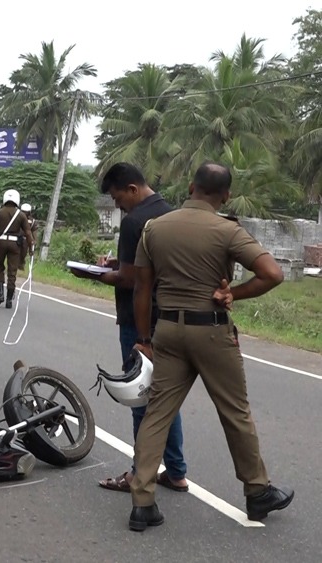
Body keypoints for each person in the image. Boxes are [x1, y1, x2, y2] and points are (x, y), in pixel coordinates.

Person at [127, 162, 293, 531]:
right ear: (226, 196)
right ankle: (257, 491)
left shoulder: (154, 228)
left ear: (190, 187)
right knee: (235, 411)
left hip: (167, 329)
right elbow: (273, 274)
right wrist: (232, 292)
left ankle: (142, 502)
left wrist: (143, 339)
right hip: (212, 330)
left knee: (157, 414)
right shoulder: (227, 231)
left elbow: (141, 289)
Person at [71, 163, 189, 494]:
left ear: (133, 190)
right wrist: (115, 266)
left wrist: (91, 273)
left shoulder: (135, 221)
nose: (118, 204)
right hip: (169, 316)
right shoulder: (170, 214)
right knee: (164, 396)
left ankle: (140, 473)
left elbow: (130, 279)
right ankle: (176, 470)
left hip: (139, 323)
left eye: (117, 197)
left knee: (139, 396)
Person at [0, 188, 33, 308]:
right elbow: (28, 232)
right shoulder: (21, 215)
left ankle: (0, 293)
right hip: (15, 245)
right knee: (12, 271)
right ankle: (9, 299)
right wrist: (31, 248)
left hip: (0, 243)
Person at [17, 203, 39, 271]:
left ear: (29, 212)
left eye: (26, 212)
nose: (25, 213)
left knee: (23, 253)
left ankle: (21, 265)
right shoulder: (16, 218)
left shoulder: (32, 221)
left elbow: (34, 230)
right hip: (16, 237)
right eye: (23, 212)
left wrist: (35, 240)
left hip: (25, 239)